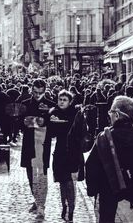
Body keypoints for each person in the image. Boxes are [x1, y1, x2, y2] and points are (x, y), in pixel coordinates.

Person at [85, 96, 133, 223]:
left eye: (110, 112)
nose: (109, 115)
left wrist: (94, 191)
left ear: (116, 114)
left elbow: (91, 167)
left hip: (108, 200)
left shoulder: (103, 138)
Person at [20, 78, 56, 219]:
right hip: (29, 144)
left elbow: (52, 127)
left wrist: (31, 122)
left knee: (41, 174)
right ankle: (36, 199)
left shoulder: (51, 105)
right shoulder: (24, 105)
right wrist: (37, 122)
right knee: (30, 174)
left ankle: (41, 205)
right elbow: (20, 125)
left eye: (40, 92)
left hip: (42, 145)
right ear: (31, 89)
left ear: (45, 91)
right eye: (35, 92)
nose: (37, 95)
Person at [47, 90, 77, 221]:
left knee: (70, 183)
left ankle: (71, 209)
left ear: (70, 102)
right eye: (60, 99)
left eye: (65, 100)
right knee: (62, 182)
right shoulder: (54, 113)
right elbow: (51, 134)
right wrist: (51, 122)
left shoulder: (75, 114)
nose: (62, 102)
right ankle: (64, 206)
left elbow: (80, 131)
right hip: (59, 151)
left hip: (72, 151)